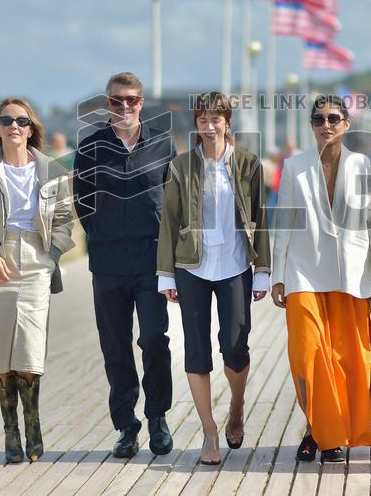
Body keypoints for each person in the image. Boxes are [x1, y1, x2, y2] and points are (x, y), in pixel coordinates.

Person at [270, 95, 371, 463]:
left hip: (351, 274)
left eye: (333, 118)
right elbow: (283, 222)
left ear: (346, 124)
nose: (326, 125)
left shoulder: (362, 165)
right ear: (312, 125)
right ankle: (321, 429)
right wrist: (278, 276)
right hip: (302, 273)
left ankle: (323, 435)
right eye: (319, 119)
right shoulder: (294, 166)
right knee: (308, 354)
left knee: (346, 358)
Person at [0, 98, 74, 464]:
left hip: (38, 260)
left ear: (31, 128)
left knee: (29, 347)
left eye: (22, 121)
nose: (14, 126)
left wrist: (51, 258)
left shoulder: (52, 171)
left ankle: (32, 424)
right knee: (0, 349)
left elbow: (65, 219)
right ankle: (10, 431)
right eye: (6, 120)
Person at [157, 91, 271, 465]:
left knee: (235, 347)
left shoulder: (248, 164)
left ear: (227, 122)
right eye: (203, 120)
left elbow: (260, 218)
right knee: (196, 348)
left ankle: (236, 407)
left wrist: (262, 272)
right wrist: (166, 275)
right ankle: (209, 431)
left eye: (216, 119)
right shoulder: (181, 166)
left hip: (235, 266)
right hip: (192, 267)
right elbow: (169, 221)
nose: (209, 127)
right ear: (196, 123)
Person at [73, 72, 176, 458]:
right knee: (115, 346)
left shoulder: (163, 144)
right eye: (117, 100)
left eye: (131, 99)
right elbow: (81, 200)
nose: (125, 106)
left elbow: (174, 200)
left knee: (154, 339)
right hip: (108, 263)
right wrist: (102, 233)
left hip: (151, 260)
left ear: (141, 102)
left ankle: (157, 418)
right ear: (108, 104)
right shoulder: (90, 147)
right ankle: (126, 426)